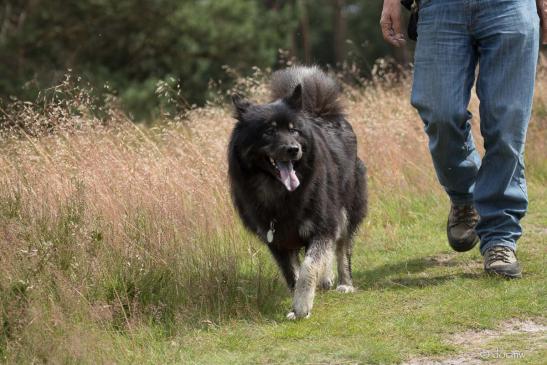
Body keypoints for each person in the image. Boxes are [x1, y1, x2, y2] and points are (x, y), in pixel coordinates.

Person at [380, 0, 546, 278]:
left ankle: (499, 238)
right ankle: (464, 196)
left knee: (506, 126)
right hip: (440, 7)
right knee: (439, 112)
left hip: (511, 6)